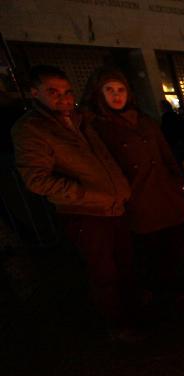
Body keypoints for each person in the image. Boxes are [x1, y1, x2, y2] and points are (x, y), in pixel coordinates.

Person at [11, 65, 134, 338]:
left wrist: (119, 189)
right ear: (34, 92)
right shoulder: (32, 129)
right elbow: (36, 178)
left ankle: (132, 314)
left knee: (124, 264)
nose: (63, 98)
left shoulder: (80, 121)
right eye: (53, 92)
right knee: (104, 272)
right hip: (85, 213)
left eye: (67, 91)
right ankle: (117, 325)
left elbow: (102, 160)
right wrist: (84, 194)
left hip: (113, 207)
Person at [81, 67, 184, 307]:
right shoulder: (97, 127)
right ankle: (156, 292)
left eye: (120, 89)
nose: (116, 95)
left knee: (175, 245)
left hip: (164, 194)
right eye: (109, 90)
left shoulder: (145, 122)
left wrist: (177, 181)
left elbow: (166, 154)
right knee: (149, 250)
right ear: (98, 93)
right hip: (136, 198)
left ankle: (177, 289)